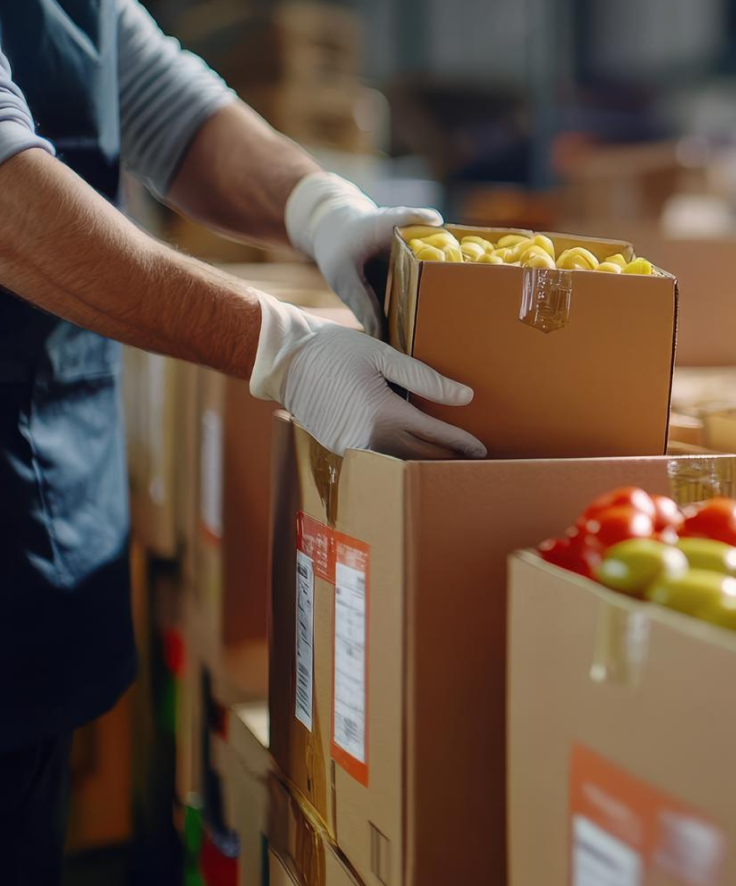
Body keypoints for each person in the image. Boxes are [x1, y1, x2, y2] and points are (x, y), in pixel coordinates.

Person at [0, 2, 486, 880]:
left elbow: (162, 100)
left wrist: (322, 208)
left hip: (40, 506)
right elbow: (8, 201)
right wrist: (282, 348)